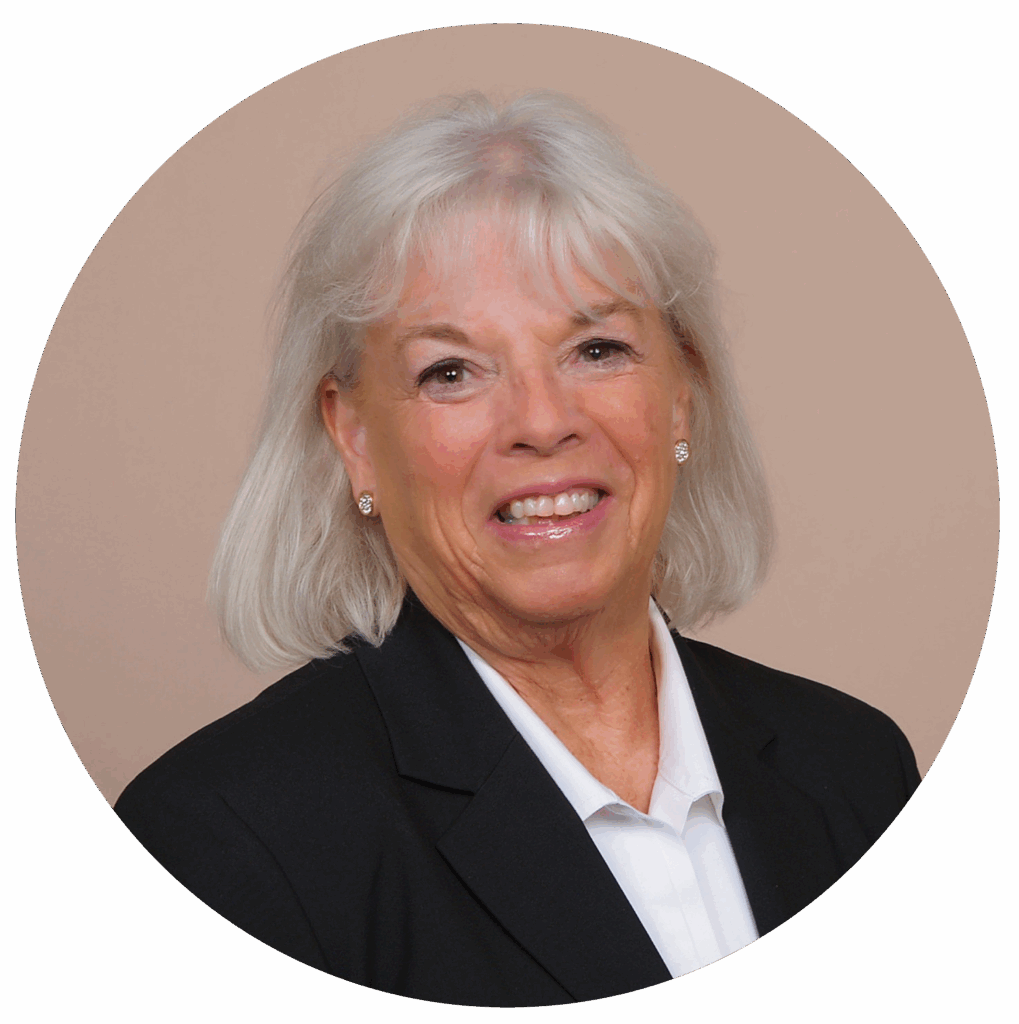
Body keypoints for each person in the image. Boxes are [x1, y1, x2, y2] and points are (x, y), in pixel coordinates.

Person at [115, 92, 920, 1007]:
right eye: (451, 371)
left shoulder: (858, 769)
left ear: (682, 395)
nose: (542, 421)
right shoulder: (225, 843)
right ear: (355, 437)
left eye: (598, 349)